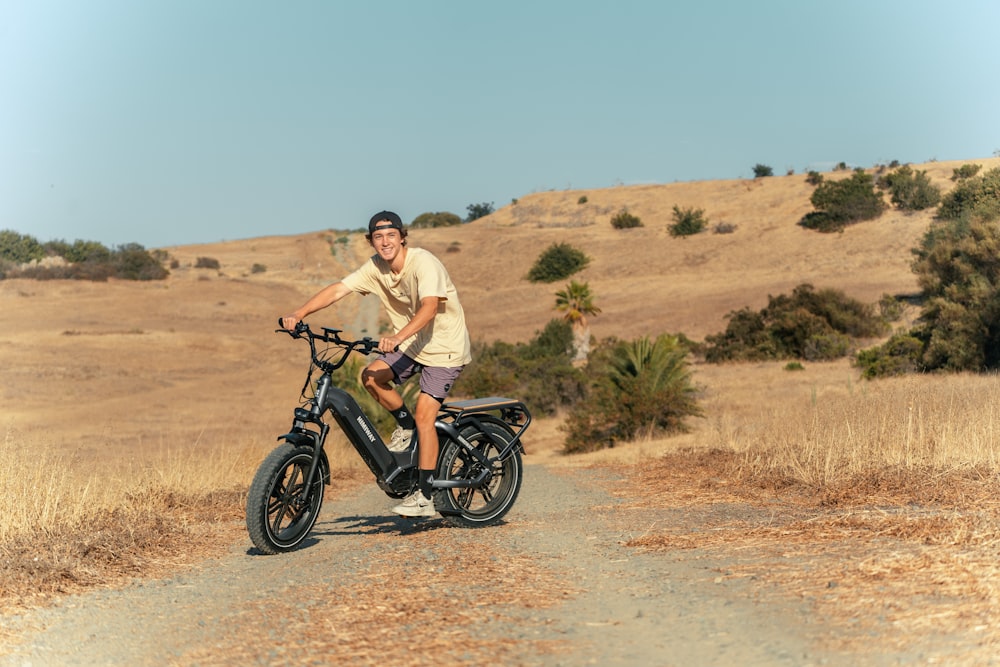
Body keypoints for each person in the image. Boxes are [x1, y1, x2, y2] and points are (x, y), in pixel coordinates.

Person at [280, 211, 472, 518]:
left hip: (444, 347)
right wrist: (300, 313)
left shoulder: (424, 262)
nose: (385, 242)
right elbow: (339, 289)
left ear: (402, 237)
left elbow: (430, 307)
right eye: (378, 237)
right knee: (370, 376)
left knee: (426, 415)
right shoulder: (375, 268)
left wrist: (397, 336)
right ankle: (405, 426)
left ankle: (424, 496)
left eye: (391, 235)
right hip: (413, 344)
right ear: (372, 242)